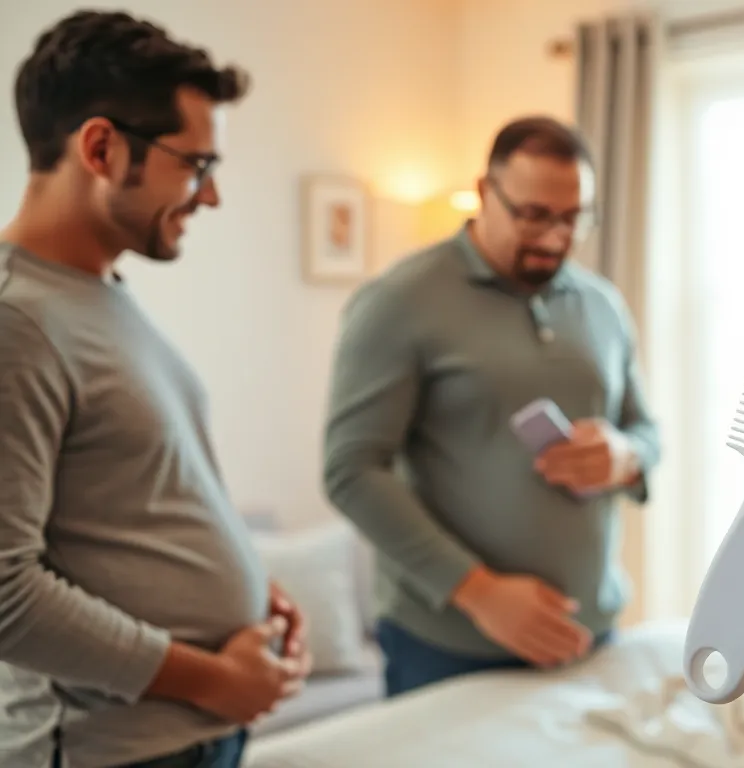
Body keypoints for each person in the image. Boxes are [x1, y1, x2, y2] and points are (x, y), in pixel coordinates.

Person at [0, 11, 311, 768]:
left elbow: (138, 496)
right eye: (197, 165)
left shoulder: (101, 294)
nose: (211, 198)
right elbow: (5, 594)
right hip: (109, 750)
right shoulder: (15, 321)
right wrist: (215, 678)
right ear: (102, 148)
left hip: (188, 735)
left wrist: (250, 588)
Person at [323, 116, 661, 697]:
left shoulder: (603, 305)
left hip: (592, 632)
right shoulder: (399, 301)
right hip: (450, 647)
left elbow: (646, 430)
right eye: (534, 215)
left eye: (573, 218)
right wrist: (479, 592)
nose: (556, 237)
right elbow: (351, 470)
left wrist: (624, 455)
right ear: (485, 193)